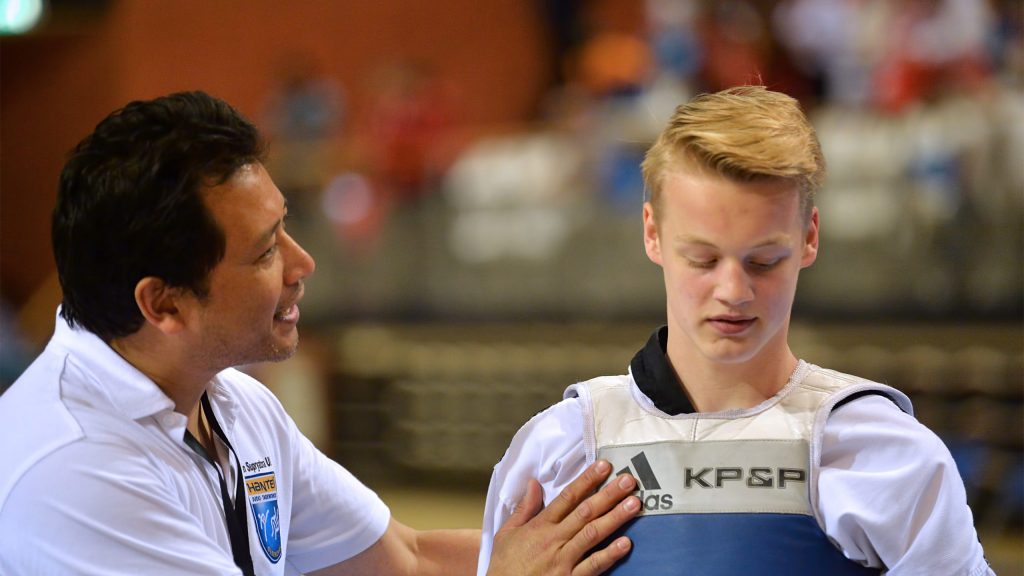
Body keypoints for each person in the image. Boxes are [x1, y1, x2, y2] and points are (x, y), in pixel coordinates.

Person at [0, 91, 642, 575]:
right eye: (264, 252)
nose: (303, 264)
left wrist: (616, 552)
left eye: (286, 226)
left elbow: (408, 558)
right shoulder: (73, 472)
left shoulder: (234, 404)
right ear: (164, 304)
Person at [477, 86, 993, 575]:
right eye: (703, 259)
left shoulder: (881, 452)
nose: (733, 291)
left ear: (809, 237)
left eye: (764, 261)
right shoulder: (560, 448)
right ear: (652, 233)